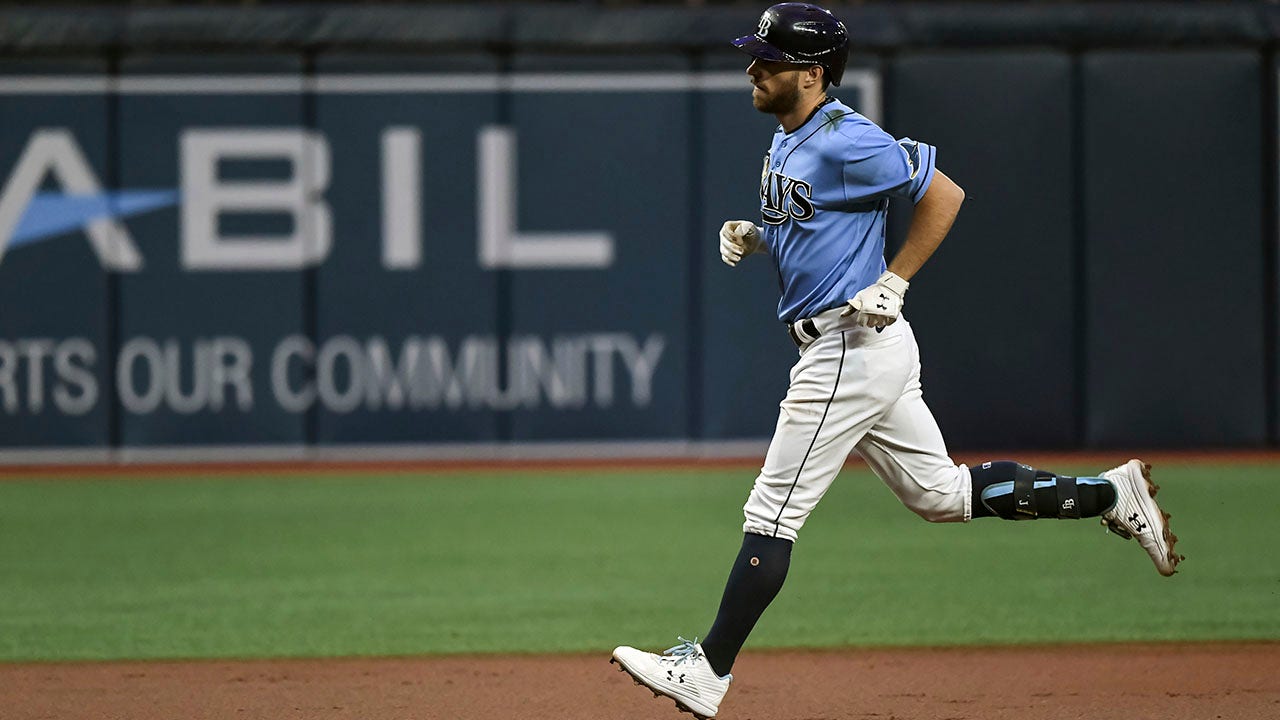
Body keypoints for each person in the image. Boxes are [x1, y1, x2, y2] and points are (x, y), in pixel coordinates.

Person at [609, 3, 1183, 719]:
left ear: (813, 74)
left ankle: (709, 671)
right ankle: (1110, 494)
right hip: (858, 348)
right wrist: (760, 237)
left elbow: (944, 194)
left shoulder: (850, 138)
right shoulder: (788, 137)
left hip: (847, 347)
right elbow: (821, 224)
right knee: (940, 495)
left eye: (770, 59)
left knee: (772, 512)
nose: (753, 68)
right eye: (756, 55)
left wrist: (895, 279)